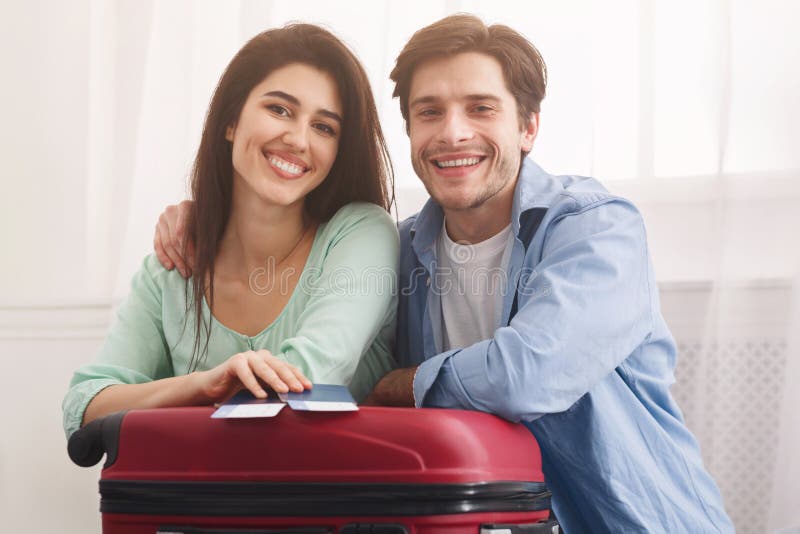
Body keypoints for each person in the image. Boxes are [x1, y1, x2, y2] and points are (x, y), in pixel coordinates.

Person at [153, 14, 734, 533]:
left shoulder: (597, 231)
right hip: (485, 518)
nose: (452, 132)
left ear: (528, 127)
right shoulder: (399, 250)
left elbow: (524, 375)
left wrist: (403, 386)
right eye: (429, 112)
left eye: (481, 108)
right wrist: (207, 222)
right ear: (410, 131)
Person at [62, 24, 399, 439]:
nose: (297, 139)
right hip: (198, 502)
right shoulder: (172, 266)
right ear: (231, 122)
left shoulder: (361, 235)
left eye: (324, 127)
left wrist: (171, 398)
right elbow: (83, 407)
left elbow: (301, 384)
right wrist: (203, 383)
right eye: (279, 109)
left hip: (331, 500)